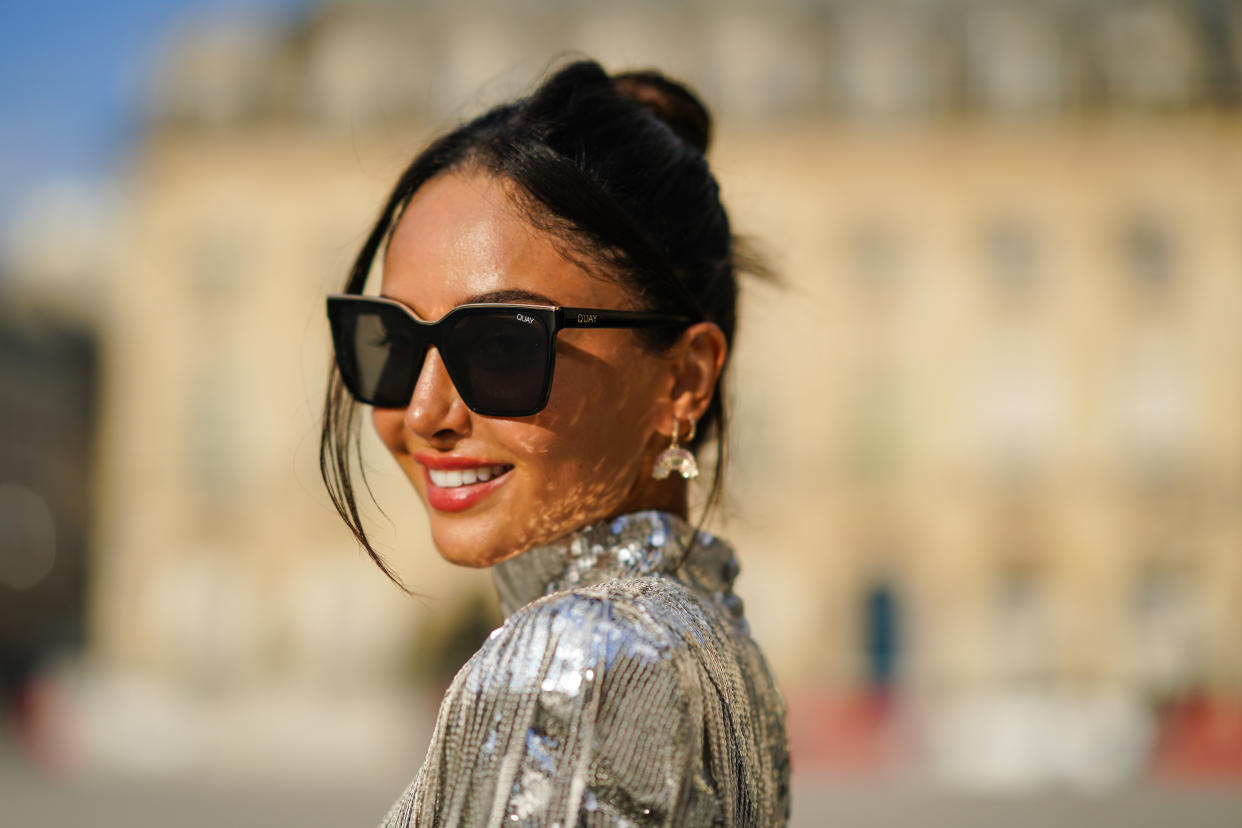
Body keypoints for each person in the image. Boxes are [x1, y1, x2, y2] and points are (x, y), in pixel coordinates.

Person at [321, 59, 790, 827]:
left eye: (502, 345)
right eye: (391, 342)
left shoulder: (573, 657)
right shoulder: (712, 643)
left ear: (684, 379)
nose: (425, 410)